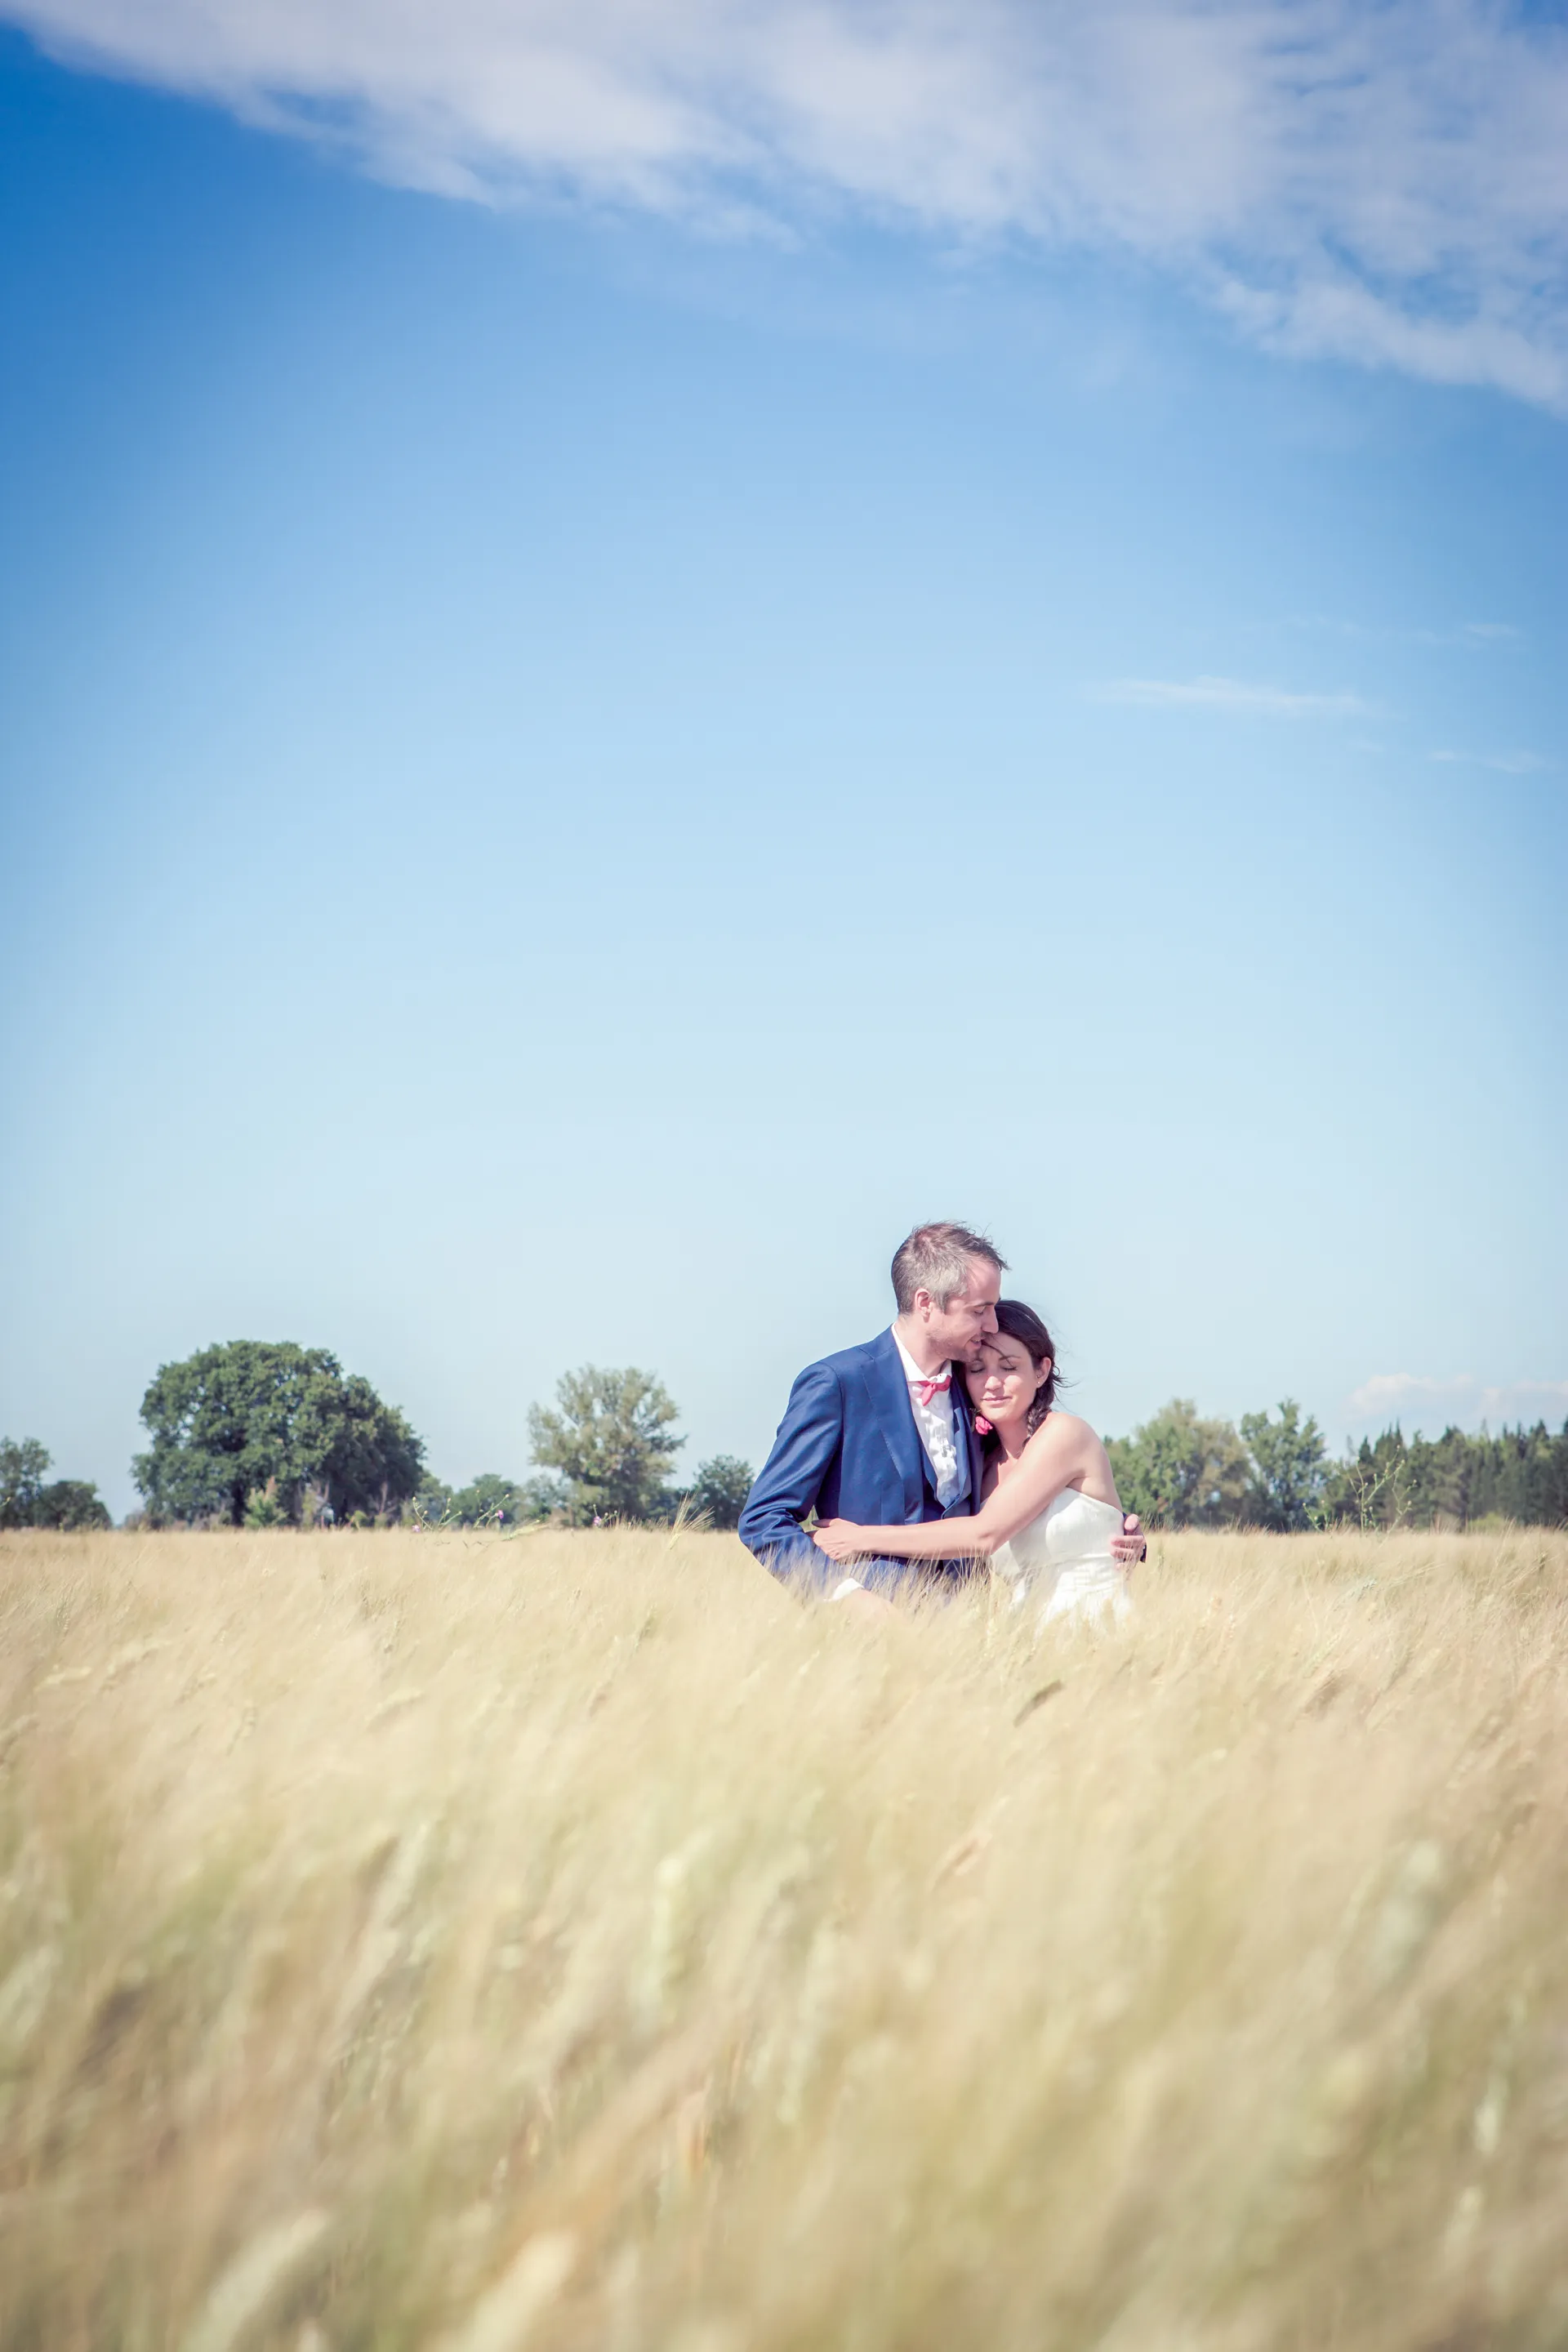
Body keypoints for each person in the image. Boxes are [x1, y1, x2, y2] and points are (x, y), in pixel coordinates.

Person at [738, 1223, 1143, 1613]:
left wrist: (1117, 1530)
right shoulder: (837, 1383)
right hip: (868, 1638)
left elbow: (1031, 1494)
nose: (993, 1324)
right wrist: (846, 1599)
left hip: (970, 1638)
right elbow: (764, 1519)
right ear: (926, 1304)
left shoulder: (977, 1396)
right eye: (980, 1310)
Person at [810, 1298, 1133, 1628]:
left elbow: (983, 1534)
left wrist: (859, 1539)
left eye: (1008, 1367)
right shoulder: (977, 1463)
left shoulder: (1065, 1434)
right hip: (1023, 1643)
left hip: (1095, 1630)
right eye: (978, 1369)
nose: (992, 1383)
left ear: (1041, 1371)